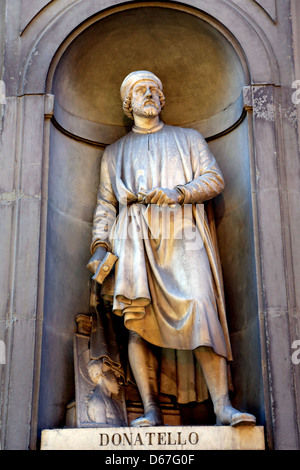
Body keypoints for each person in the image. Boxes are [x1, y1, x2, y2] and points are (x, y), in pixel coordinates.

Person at [87, 70, 256, 427]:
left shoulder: (189, 138)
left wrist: (179, 192)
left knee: (201, 305)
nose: (149, 94)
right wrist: (101, 245)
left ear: (162, 100)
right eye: (140, 90)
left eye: (154, 90)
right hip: (133, 237)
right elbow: (105, 204)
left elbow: (214, 179)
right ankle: (150, 409)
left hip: (183, 233)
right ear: (128, 103)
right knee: (137, 320)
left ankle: (222, 406)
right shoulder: (114, 153)